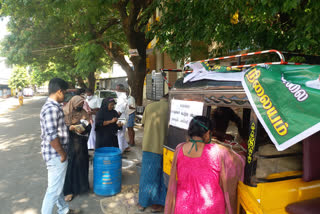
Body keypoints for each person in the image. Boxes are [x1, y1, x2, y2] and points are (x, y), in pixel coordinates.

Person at [164, 116, 245, 214]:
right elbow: (238, 163)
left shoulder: (179, 149)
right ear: (207, 133)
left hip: (183, 207)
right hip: (210, 208)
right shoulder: (218, 151)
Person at [40, 78, 79, 214]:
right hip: (56, 155)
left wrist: (69, 128)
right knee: (53, 190)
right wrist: (62, 153)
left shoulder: (54, 107)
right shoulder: (51, 109)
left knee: (56, 186)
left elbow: (56, 130)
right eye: (65, 93)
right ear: (59, 91)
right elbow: (51, 135)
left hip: (55, 154)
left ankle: (64, 210)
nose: (66, 96)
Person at [138, 94, 169, 213]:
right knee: (163, 176)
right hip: (166, 147)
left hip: (149, 145)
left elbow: (144, 124)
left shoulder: (150, 107)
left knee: (147, 174)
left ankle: (143, 202)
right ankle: (159, 203)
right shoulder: (171, 108)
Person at [63, 95, 91, 202]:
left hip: (82, 142)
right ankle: (69, 191)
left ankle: (82, 188)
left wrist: (84, 129)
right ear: (73, 103)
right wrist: (70, 128)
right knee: (72, 166)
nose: (81, 106)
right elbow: (61, 128)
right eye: (78, 104)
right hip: (71, 143)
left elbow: (89, 126)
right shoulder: (66, 112)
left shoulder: (83, 112)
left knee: (82, 164)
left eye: (82, 104)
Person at [115, 84, 130, 152]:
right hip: (121, 118)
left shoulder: (122, 98)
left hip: (121, 119)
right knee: (120, 133)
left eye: (117, 89)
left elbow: (120, 111)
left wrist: (114, 118)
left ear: (121, 90)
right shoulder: (121, 97)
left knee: (120, 134)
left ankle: (120, 150)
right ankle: (126, 146)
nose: (116, 90)